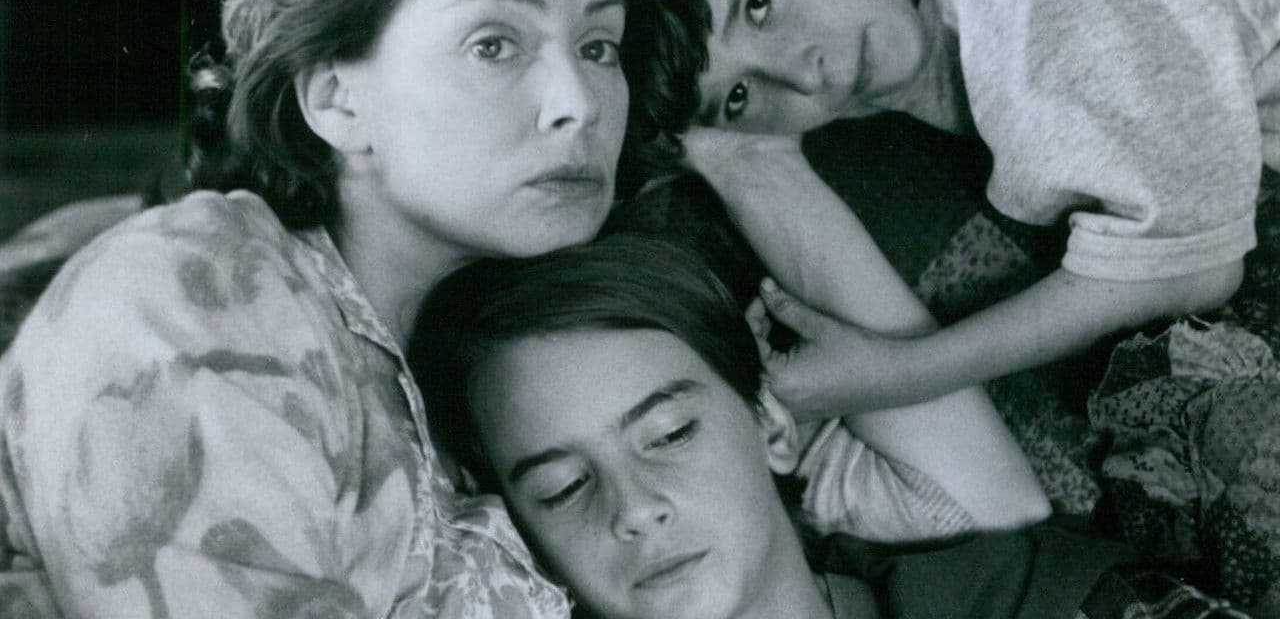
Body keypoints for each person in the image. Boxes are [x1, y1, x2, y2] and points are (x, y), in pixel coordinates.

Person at [0, 0, 644, 615]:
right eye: (493, 45)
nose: (579, 103)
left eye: (598, 46)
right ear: (337, 99)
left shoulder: (502, 364)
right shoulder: (193, 294)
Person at [626, 0, 1280, 413]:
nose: (803, 75)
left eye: (759, 2)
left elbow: (1194, 262)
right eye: (738, 96)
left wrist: (907, 372)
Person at [414, 233, 1252, 619]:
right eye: (563, 488)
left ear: (772, 428)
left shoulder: (1011, 594)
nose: (634, 508)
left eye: (670, 434)